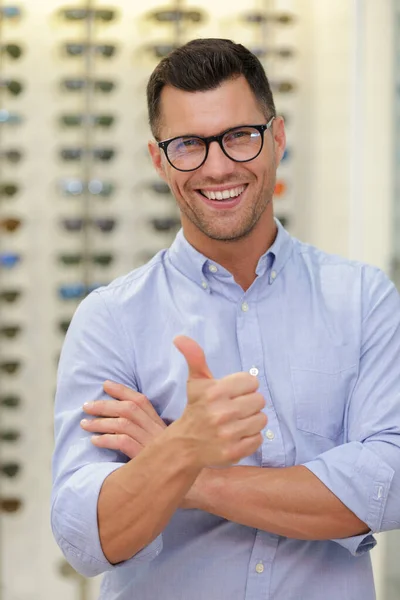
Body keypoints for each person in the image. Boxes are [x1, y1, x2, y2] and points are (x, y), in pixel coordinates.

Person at [51, 38, 400, 600]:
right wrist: (186, 445)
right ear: (159, 161)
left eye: (240, 136)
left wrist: (181, 469)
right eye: (188, 144)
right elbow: (86, 538)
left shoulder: (363, 300)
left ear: (278, 139)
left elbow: (389, 487)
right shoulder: (109, 319)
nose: (217, 167)